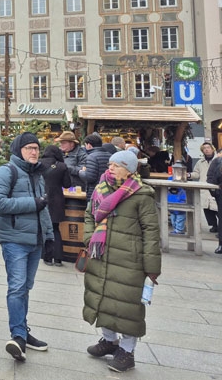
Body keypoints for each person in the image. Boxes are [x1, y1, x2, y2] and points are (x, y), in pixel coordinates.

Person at [83, 150, 161, 373]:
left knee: (127, 307)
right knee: (102, 298)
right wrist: (89, 239)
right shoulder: (101, 188)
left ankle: (127, 352)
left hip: (129, 259)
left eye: (117, 165)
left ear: (129, 170)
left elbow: (151, 231)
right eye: (110, 164)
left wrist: (152, 266)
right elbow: (89, 215)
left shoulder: (142, 194)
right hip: (101, 254)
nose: (111, 168)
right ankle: (109, 341)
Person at [0, 132, 53, 362]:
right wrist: (31, 203)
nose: (34, 152)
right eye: (29, 148)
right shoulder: (7, 171)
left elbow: (43, 208)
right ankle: (18, 336)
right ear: (18, 150)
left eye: (36, 148)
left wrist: (50, 236)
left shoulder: (37, 174)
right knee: (16, 287)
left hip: (35, 240)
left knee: (25, 287)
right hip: (14, 239)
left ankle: (23, 332)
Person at [39, 145, 72, 266]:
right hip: (57, 200)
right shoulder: (62, 166)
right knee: (55, 229)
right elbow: (67, 184)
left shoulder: (39, 163)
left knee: (44, 228)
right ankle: (58, 258)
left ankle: (47, 257)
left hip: (42, 198)